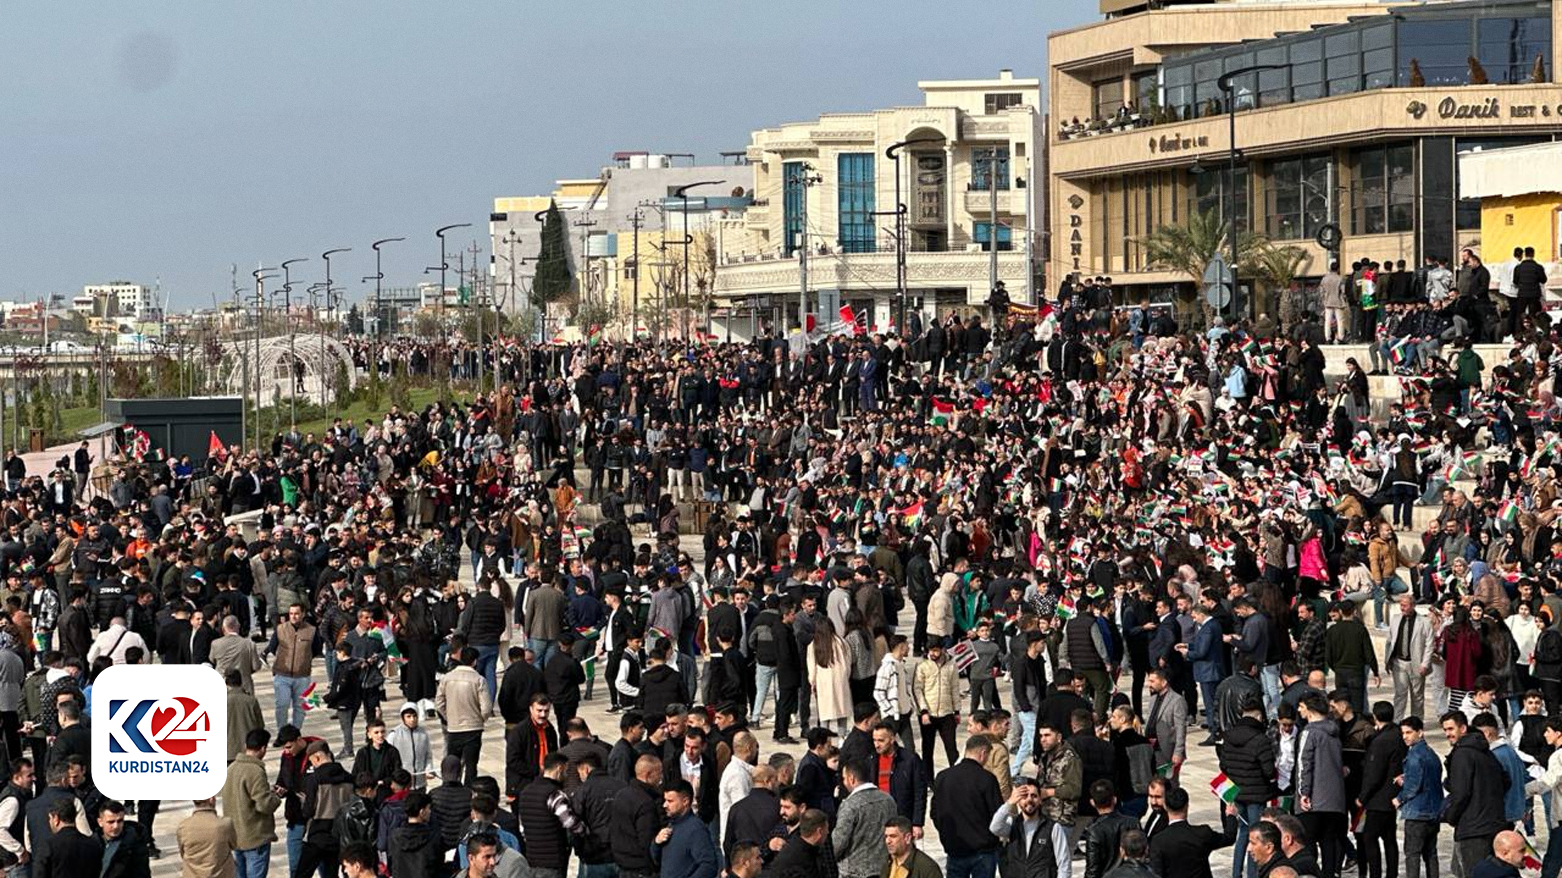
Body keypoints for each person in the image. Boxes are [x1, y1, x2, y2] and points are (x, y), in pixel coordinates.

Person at [1441, 710, 1510, 878]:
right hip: (1494, 825)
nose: (1448, 734)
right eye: (1445, 730)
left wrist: (1450, 816)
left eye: (1451, 729)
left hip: (1473, 829)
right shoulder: (1485, 751)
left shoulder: (1462, 753)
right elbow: (1506, 781)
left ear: (1463, 728)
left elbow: (1461, 793)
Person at [933, 735, 1004, 878]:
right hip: (983, 850)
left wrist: (946, 834)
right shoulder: (986, 779)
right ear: (983, 753)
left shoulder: (943, 777)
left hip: (954, 847)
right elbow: (997, 815)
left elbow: (935, 812)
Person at [1294, 693, 1346, 878]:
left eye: (1301, 707)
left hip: (1315, 799)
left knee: (1307, 843)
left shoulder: (1309, 732)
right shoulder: (1334, 733)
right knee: (1328, 843)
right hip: (1335, 800)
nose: (1299, 710)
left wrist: (1303, 793)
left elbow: (1304, 764)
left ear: (1310, 710)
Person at [220, 729, 281, 878]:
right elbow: (264, 805)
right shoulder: (255, 771)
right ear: (263, 748)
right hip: (255, 837)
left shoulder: (231, 768)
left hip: (236, 835)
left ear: (245, 745)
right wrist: (276, 797)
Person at [1357, 701, 1406, 878]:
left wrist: (1363, 797)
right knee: (1389, 838)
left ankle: (1375, 874)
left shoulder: (1380, 741)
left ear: (1375, 717)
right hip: (1392, 795)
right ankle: (1391, 874)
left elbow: (1374, 774)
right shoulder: (1398, 735)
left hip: (1378, 798)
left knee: (1369, 837)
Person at [1146, 785, 1232, 878]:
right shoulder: (1203, 834)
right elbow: (1229, 837)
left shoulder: (1158, 841)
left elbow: (1156, 873)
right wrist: (1230, 814)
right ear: (1187, 806)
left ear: (1165, 806)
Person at [1397, 716, 1445, 878]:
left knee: (1412, 854)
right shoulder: (1431, 754)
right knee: (1431, 853)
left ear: (1420, 732)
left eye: (1409, 732)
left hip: (1417, 813)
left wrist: (1399, 798)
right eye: (1403, 733)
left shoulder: (1414, 756)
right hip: (1433, 811)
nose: (1405, 736)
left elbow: (1413, 787)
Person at [437, 646, 493, 786]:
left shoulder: (447, 678)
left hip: (454, 728)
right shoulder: (479, 679)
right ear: (475, 661)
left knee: (452, 765)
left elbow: (439, 703)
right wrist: (480, 719)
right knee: (471, 766)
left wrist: (449, 717)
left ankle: (450, 789)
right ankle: (469, 791)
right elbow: (486, 707)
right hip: (473, 728)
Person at [833, 758, 897, 878]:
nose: (844, 782)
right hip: (883, 869)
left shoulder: (850, 805)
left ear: (852, 778)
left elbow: (838, 843)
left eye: (844, 778)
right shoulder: (888, 800)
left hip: (853, 872)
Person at [612, 754, 665, 878]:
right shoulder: (646, 803)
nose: (661, 777)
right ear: (648, 775)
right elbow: (647, 841)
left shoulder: (621, 794)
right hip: (640, 868)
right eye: (659, 773)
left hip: (621, 863)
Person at [652, 779, 718, 878]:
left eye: (670, 801)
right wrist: (656, 843)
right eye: (665, 800)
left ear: (685, 801)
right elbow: (657, 860)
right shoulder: (671, 825)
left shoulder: (696, 829)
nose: (664, 805)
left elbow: (709, 865)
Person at [1385, 593, 1434, 720]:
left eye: (1405, 605)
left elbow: (1429, 645)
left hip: (1416, 663)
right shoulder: (1395, 619)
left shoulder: (1424, 622)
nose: (1402, 608)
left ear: (1413, 606)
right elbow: (1389, 641)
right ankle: (1397, 721)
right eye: (1401, 605)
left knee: (1417, 696)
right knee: (1400, 694)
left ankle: (1416, 722)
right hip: (1399, 662)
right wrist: (1387, 660)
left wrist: (1425, 664)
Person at [33, 798, 99, 878]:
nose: (49, 822)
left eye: (50, 818)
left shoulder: (48, 846)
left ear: (56, 818)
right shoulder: (93, 845)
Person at [175, 798, 236, 878]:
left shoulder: (183, 826)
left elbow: (182, 852)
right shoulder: (225, 824)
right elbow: (234, 845)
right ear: (211, 799)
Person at [387, 791, 443, 878]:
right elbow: (438, 865)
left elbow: (391, 863)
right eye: (428, 808)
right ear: (422, 812)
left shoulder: (395, 836)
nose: (430, 812)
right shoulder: (433, 836)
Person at [1144, 669, 1186, 778]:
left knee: (1169, 781)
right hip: (1151, 748)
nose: (1148, 684)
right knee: (1155, 780)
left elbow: (1180, 729)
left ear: (1163, 682)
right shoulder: (1153, 699)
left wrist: (1178, 752)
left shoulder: (1177, 700)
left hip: (1166, 750)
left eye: (1152, 681)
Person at [97, 800, 153, 878]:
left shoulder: (135, 843)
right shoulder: (91, 843)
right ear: (100, 822)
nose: (116, 826)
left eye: (120, 821)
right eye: (111, 822)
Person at [386, 705, 435, 789]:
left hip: (420, 783)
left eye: (414, 716)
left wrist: (428, 769)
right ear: (403, 718)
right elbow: (388, 759)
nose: (412, 719)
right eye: (408, 716)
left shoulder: (423, 733)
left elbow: (428, 755)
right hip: (402, 785)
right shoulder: (394, 735)